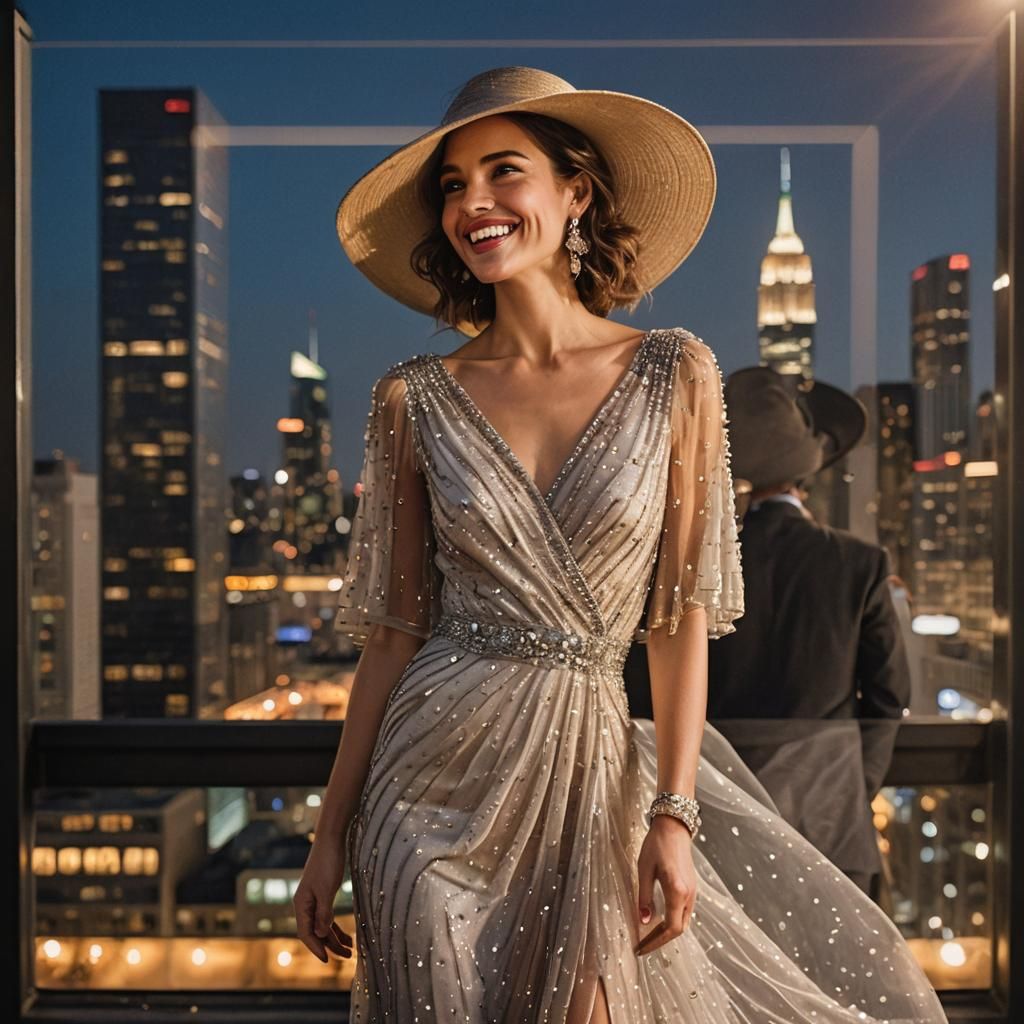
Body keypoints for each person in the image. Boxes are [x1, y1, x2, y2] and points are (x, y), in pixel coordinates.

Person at [294, 66, 947, 1023]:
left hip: (589, 780)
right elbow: (393, 635)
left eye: (503, 171)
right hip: (423, 787)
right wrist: (330, 834)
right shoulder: (412, 398)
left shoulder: (673, 371)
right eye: (451, 184)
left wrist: (671, 815)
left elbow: (678, 624)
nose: (473, 202)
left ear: (576, 192)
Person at [701, 367, 910, 900]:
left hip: (718, 814)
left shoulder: (699, 569)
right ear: (804, 479)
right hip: (830, 821)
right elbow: (889, 696)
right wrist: (853, 783)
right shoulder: (861, 562)